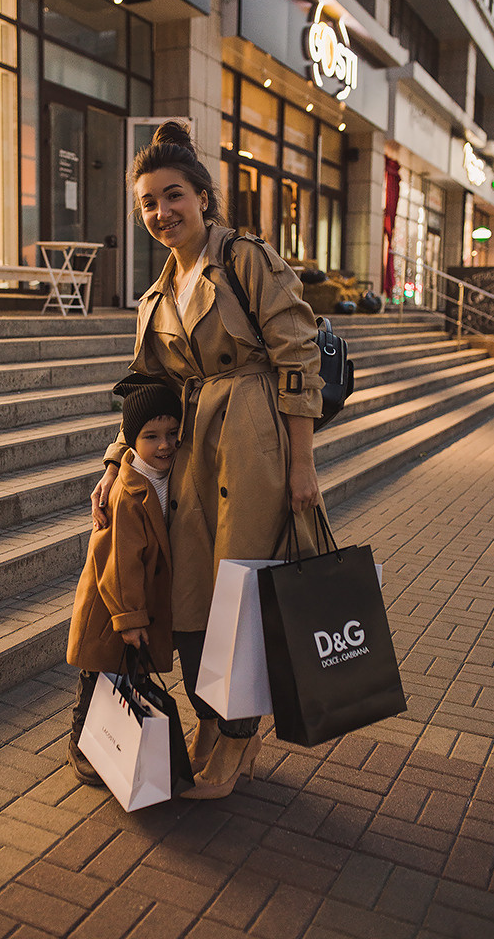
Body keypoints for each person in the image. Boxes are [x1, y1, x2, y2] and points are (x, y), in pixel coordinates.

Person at [91, 121, 325, 800]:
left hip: (252, 441)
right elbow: (143, 387)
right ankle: (215, 725)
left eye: (173, 196)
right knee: (191, 595)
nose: (161, 213)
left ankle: (236, 734)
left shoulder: (243, 259)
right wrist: (116, 460)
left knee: (241, 593)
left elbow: (296, 353)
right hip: (189, 450)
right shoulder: (155, 296)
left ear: (202, 196)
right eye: (148, 203)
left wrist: (302, 462)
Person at [66, 378, 182, 785]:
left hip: (136, 603)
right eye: (151, 437)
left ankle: (120, 742)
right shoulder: (127, 492)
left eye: (172, 434)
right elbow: (119, 563)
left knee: (129, 675)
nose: (164, 444)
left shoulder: (170, 476)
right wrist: (130, 618)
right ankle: (82, 740)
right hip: (112, 605)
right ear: (131, 442)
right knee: (98, 673)